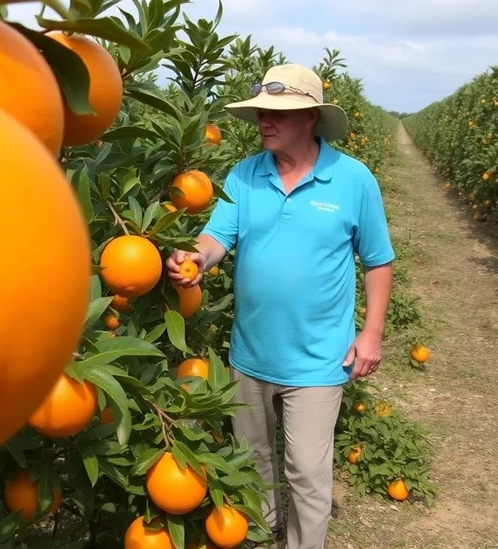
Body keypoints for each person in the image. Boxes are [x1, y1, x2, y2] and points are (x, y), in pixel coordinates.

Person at [166, 63, 395, 549]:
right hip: (250, 351)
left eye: (278, 113)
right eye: (261, 113)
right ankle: (258, 528)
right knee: (251, 457)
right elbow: (217, 236)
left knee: (308, 470)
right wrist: (197, 258)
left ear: (311, 117)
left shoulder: (353, 180)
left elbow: (377, 261)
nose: (264, 121)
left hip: (319, 356)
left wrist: (371, 332)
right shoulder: (244, 175)